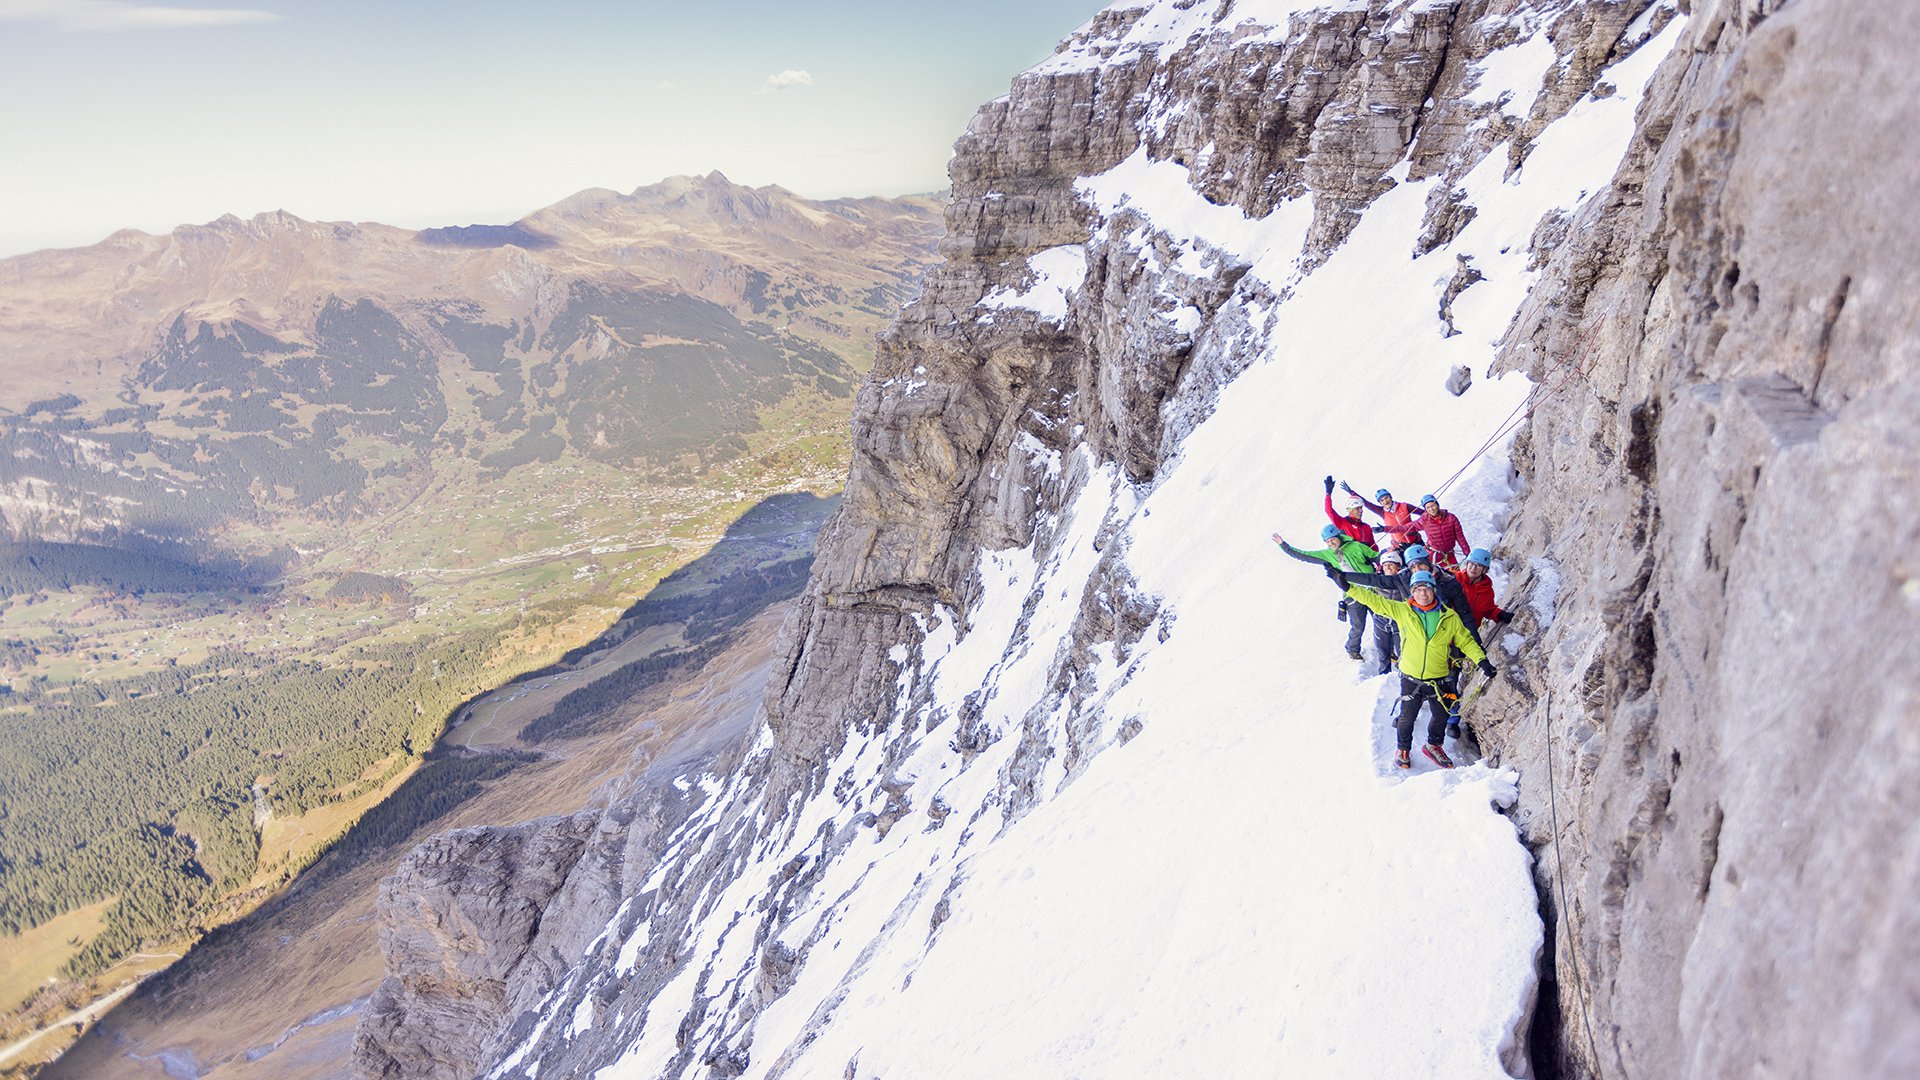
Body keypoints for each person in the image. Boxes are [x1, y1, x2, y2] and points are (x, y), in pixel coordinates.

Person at [1328, 565, 1494, 770]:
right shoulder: (1403, 611)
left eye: (1426, 589)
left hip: (1439, 676)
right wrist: (1348, 587)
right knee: (1407, 716)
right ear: (1412, 592)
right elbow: (1376, 602)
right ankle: (1402, 749)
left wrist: (1482, 661)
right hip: (1411, 676)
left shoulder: (1450, 617)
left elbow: (1466, 641)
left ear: (1434, 590)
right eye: (1418, 589)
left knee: (1442, 714)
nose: (1423, 593)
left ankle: (1434, 745)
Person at [1272, 525, 1378, 661]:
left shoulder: (1356, 546)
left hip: (1371, 589)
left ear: (1339, 537)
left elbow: (1375, 556)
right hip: (1352, 594)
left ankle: (1386, 647)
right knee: (1358, 625)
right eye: (1327, 542)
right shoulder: (1327, 555)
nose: (1331, 543)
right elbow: (1304, 555)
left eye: (1332, 540)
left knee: (1381, 619)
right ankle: (1352, 649)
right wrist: (1284, 546)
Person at [1339, 482, 1423, 552]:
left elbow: (1423, 513)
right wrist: (1351, 492)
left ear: (1390, 497)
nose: (1385, 501)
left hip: (1415, 541)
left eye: (1386, 498)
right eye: (1382, 500)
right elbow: (1367, 503)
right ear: (1380, 503)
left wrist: (1415, 526)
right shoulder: (1382, 512)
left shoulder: (1404, 506)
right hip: (1400, 546)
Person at [1452, 547, 1515, 632]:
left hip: (1467, 636)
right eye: (1471, 564)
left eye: (1479, 565)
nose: (1473, 568)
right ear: (1467, 564)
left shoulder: (1486, 591)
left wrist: (1500, 614)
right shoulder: (1454, 578)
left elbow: (1488, 610)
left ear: (1485, 570)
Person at [1406, 494, 1470, 571]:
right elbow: (1406, 527)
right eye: (1428, 507)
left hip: (1449, 555)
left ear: (1437, 505)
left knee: (1456, 576)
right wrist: (1388, 528)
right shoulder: (1424, 520)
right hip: (1434, 555)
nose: (1431, 509)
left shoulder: (1451, 518)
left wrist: (1467, 553)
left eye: (1433, 506)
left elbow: (1460, 537)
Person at [1322, 476, 1376, 548]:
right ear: (1350, 510)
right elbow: (1328, 510)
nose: (1361, 511)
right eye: (1357, 508)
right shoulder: (1342, 523)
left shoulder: (1366, 527)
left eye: (1361, 508)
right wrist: (1328, 494)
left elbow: (1374, 547)